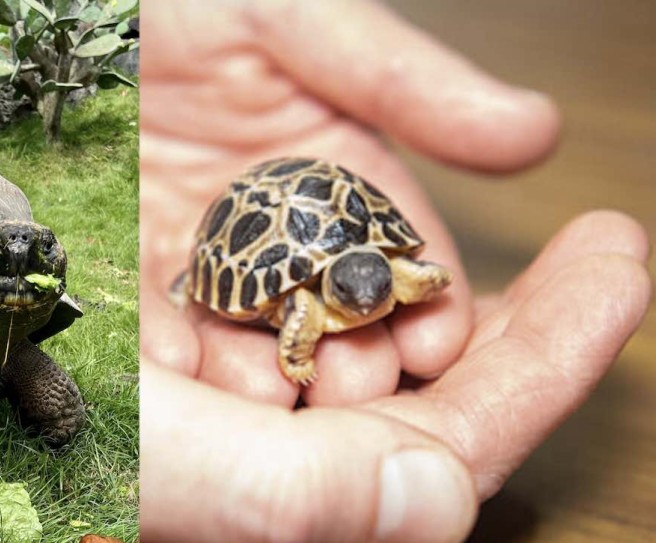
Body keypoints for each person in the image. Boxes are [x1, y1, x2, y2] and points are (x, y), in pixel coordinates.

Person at [138, 1, 652, 541]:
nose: (363, 302)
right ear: (330, 285)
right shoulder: (309, 298)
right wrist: (298, 353)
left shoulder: (385, 275)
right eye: (348, 292)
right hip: (253, 220)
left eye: (379, 288)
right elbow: (306, 308)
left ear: (386, 274)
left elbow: (417, 274)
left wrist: (422, 280)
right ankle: (192, 283)